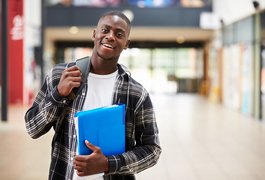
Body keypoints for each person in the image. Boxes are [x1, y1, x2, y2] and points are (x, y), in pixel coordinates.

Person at [25, 11, 161, 180]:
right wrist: (58, 94)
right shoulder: (61, 75)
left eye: (119, 34)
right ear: (94, 34)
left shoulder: (136, 93)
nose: (110, 36)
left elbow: (152, 150)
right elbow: (32, 128)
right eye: (105, 30)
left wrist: (109, 163)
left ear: (126, 43)